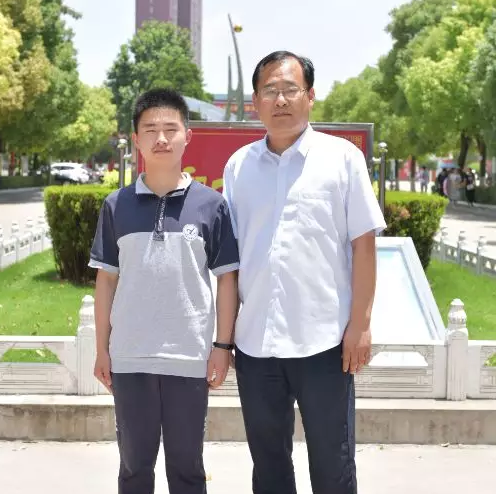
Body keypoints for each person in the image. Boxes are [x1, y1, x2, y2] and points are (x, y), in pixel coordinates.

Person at [223, 51, 386, 494]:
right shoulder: (238, 166)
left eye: (290, 89)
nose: (280, 100)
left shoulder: (342, 159)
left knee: (333, 467)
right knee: (269, 468)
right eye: (270, 91)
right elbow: (230, 261)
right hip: (256, 344)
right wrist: (223, 339)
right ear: (255, 102)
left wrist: (361, 325)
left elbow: (364, 245)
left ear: (310, 96)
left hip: (325, 344)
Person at [89, 88, 239, 494]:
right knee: (134, 468)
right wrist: (102, 349)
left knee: (187, 469)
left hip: (189, 358)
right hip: (129, 358)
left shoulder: (211, 205)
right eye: (150, 129)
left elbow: (227, 280)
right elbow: (106, 281)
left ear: (188, 135)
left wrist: (222, 346)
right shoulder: (116, 205)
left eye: (171, 129)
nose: (161, 138)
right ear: (135, 139)